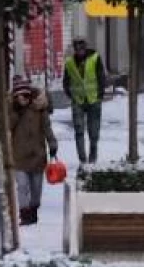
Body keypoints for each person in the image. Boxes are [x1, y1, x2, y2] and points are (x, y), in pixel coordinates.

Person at [9, 76, 58, 226]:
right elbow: (7, 126)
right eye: (19, 96)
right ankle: (24, 213)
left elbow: (47, 128)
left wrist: (52, 143)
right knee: (22, 186)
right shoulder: (11, 109)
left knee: (36, 188)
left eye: (25, 95)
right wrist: (17, 110)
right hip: (19, 156)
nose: (22, 98)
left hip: (37, 155)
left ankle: (34, 209)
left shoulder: (39, 108)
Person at [62, 38, 107, 164]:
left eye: (81, 49)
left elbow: (101, 76)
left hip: (93, 99)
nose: (80, 51)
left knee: (94, 131)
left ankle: (93, 156)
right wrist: (70, 94)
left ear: (85, 48)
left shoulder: (94, 58)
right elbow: (66, 80)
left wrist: (100, 94)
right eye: (77, 49)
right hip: (78, 100)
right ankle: (82, 159)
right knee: (79, 130)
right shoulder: (70, 63)